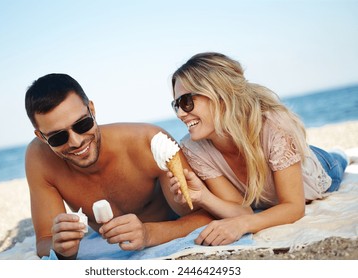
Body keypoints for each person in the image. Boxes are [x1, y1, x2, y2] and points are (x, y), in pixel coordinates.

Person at [168, 52, 349, 246]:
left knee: (337, 160)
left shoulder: (274, 125)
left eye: (186, 102)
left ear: (220, 95)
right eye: (176, 104)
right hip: (279, 157)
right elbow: (242, 210)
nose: (180, 113)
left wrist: (242, 225)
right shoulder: (193, 148)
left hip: (318, 168)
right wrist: (202, 197)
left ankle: (341, 153)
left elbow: (294, 207)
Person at [24, 73, 212, 259]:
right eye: (58, 137)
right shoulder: (40, 159)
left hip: (167, 225)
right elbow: (44, 240)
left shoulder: (148, 142)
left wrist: (148, 233)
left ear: (92, 109)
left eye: (82, 124)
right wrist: (60, 248)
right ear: (41, 136)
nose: (76, 141)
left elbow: (207, 214)